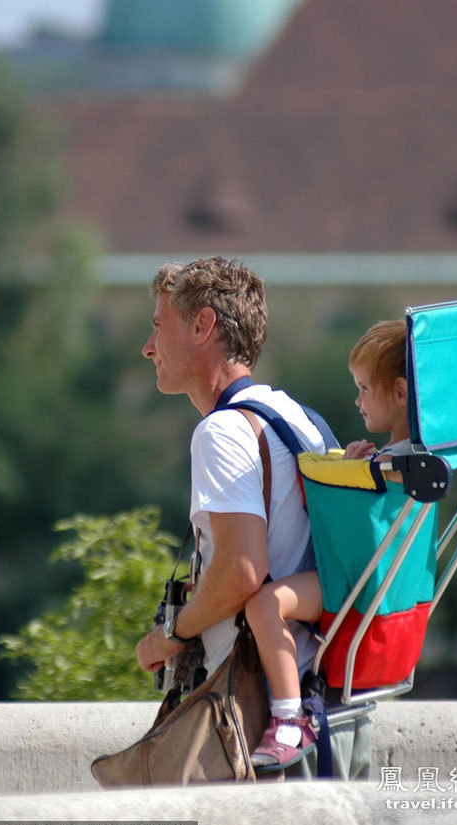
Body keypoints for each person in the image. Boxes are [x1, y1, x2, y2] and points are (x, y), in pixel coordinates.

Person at [135, 256, 370, 780]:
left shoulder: (220, 433)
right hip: (335, 708)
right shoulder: (298, 418)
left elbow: (242, 571)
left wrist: (170, 634)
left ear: (202, 325)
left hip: (268, 724)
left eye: (157, 326)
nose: (148, 348)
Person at [245, 320, 410, 769]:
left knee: (264, 604)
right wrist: (363, 465)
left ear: (398, 392)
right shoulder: (411, 460)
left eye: (363, 389)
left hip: (354, 583)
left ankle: (287, 718)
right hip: (385, 588)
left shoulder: (399, 463)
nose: (357, 401)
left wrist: (356, 470)